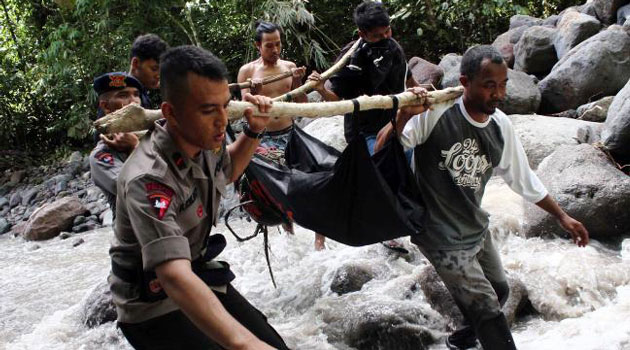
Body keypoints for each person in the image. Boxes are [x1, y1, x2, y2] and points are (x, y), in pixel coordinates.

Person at [375, 45, 590, 350]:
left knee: (501, 290)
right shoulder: (437, 112)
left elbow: (524, 179)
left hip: (473, 226)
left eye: (502, 85)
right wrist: (401, 116)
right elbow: (382, 150)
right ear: (465, 82)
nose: (498, 94)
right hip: (438, 234)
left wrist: (562, 216)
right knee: (488, 310)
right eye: (489, 86)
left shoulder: (500, 126)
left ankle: (460, 341)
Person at [109, 45, 288, 350]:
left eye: (225, 106)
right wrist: (243, 344)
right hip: (152, 302)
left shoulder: (203, 138)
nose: (222, 120)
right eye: (208, 110)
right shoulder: (149, 177)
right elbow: (173, 275)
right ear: (170, 113)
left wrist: (253, 131)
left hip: (197, 272)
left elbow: (227, 171)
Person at [307, 1, 418, 251]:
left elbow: (408, 79)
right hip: (364, 131)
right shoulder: (350, 57)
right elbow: (339, 102)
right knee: (371, 180)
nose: (384, 37)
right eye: (377, 35)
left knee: (406, 171)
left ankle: (401, 225)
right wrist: (320, 89)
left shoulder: (394, 47)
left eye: (387, 31)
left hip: (396, 123)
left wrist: (418, 92)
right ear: (362, 34)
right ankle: (328, 232)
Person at [237, 21, 328, 250]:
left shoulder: (288, 66)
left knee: (316, 181)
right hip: (264, 140)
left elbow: (302, 105)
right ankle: (290, 236)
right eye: (269, 45)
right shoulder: (247, 72)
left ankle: (320, 242)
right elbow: (244, 112)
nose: (275, 50)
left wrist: (297, 81)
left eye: (278, 44)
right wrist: (255, 93)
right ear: (258, 45)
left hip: (291, 135)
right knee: (278, 190)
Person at [89, 72, 143, 213]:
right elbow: (140, 192)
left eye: (136, 94)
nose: (134, 102)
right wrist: (135, 148)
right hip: (139, 230)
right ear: (106, 106)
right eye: (123, 96)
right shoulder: (101, 155)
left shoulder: (153, 134)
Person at [128, 33, 169, 109]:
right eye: (154, 69)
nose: (158, 75)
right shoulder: (120, 94)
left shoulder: (141, 91)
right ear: (136, 63)